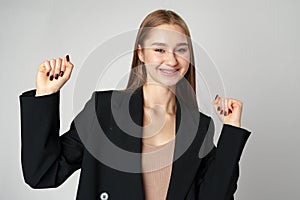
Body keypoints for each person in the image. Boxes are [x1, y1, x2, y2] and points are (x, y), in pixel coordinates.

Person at [19, 9, 251, 200]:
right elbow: (43, 173)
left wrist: (231, 130)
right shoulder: (104, 110)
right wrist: (46, 95)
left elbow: (215, 197)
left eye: (181, 50)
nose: (171, 60)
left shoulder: (199, 126)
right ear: (141, 53)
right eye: (159, 49)